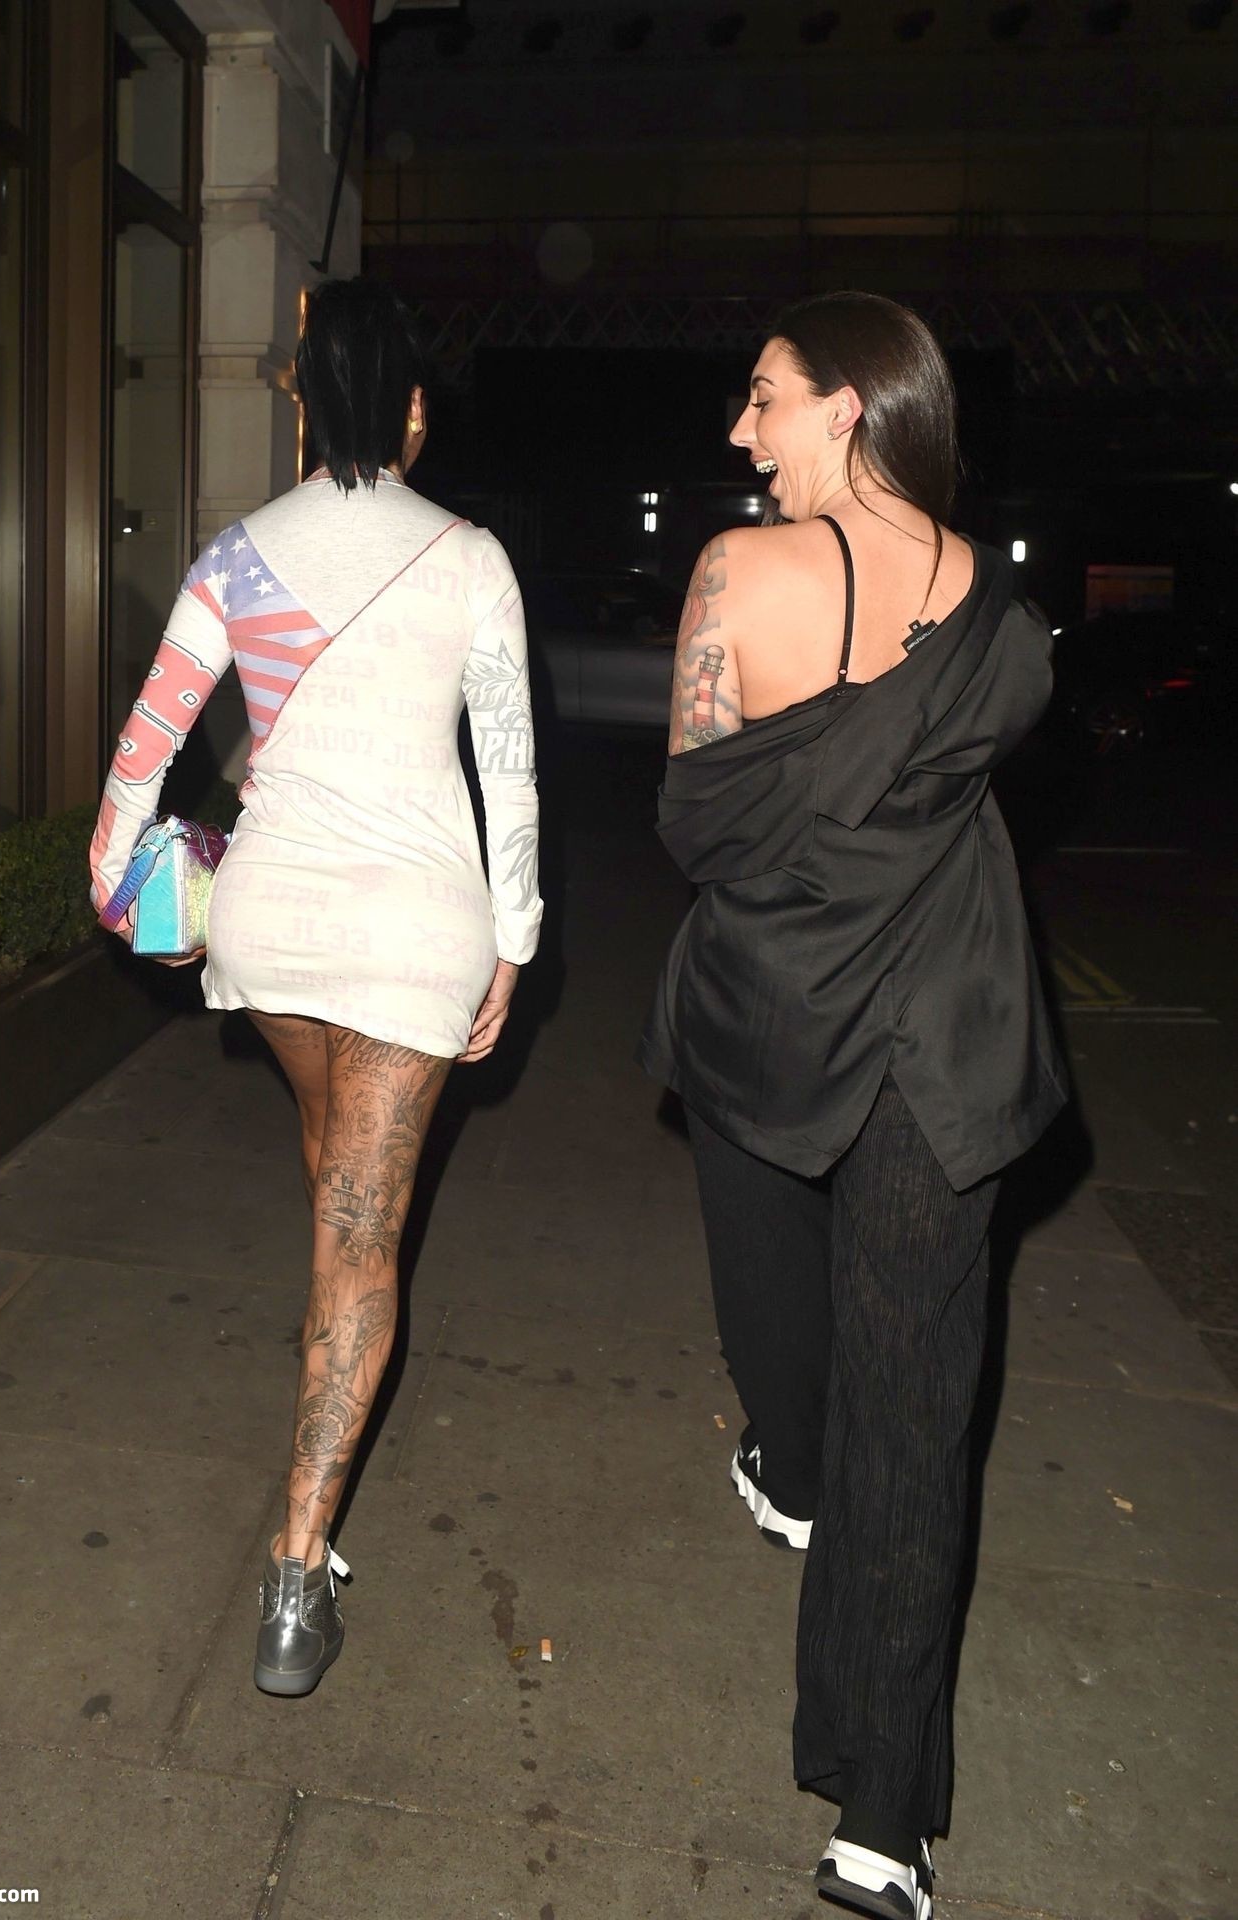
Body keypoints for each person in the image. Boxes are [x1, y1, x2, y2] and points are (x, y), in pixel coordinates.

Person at [639, 291, 1067, 1920]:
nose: (739, 431)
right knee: (916, 1411)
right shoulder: (999, 610)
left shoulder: (738, 576)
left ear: (845, 406)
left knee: (797, 1376)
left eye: (762, 399)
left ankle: (798, 1475)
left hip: (773, 1020)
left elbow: (695, 820)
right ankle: (882, 1831)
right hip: (945, 1028)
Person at [90, 276, 542, 1700]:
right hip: (413, 930)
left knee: (334, 1171)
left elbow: (149, 740)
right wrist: (515, 938)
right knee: (361, 1233)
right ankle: (296, 1568)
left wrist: (118, 887)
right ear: (411, 409)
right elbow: (509, 771)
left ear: (300, 402)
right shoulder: (471, 557)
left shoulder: (236, 557)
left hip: (272, 926)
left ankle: (327, 1345)